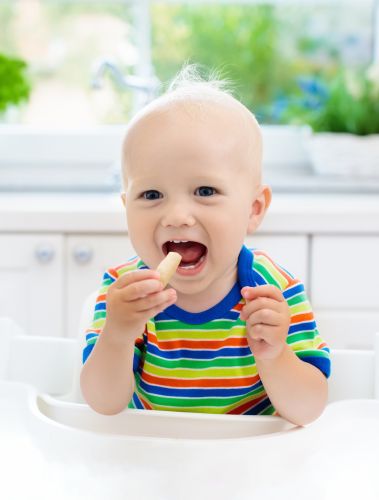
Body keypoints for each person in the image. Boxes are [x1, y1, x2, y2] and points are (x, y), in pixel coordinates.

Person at [80, 65, 330, 425]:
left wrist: (275, 356)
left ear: (253, 210)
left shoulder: (273, 291)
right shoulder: (124, 294)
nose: (177, 216)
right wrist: (117, 336)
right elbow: (104, 404)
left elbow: (309, 410)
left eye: (205, 191)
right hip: (153, 461)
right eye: (151, 194)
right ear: (126, 208)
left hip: (251, 465)